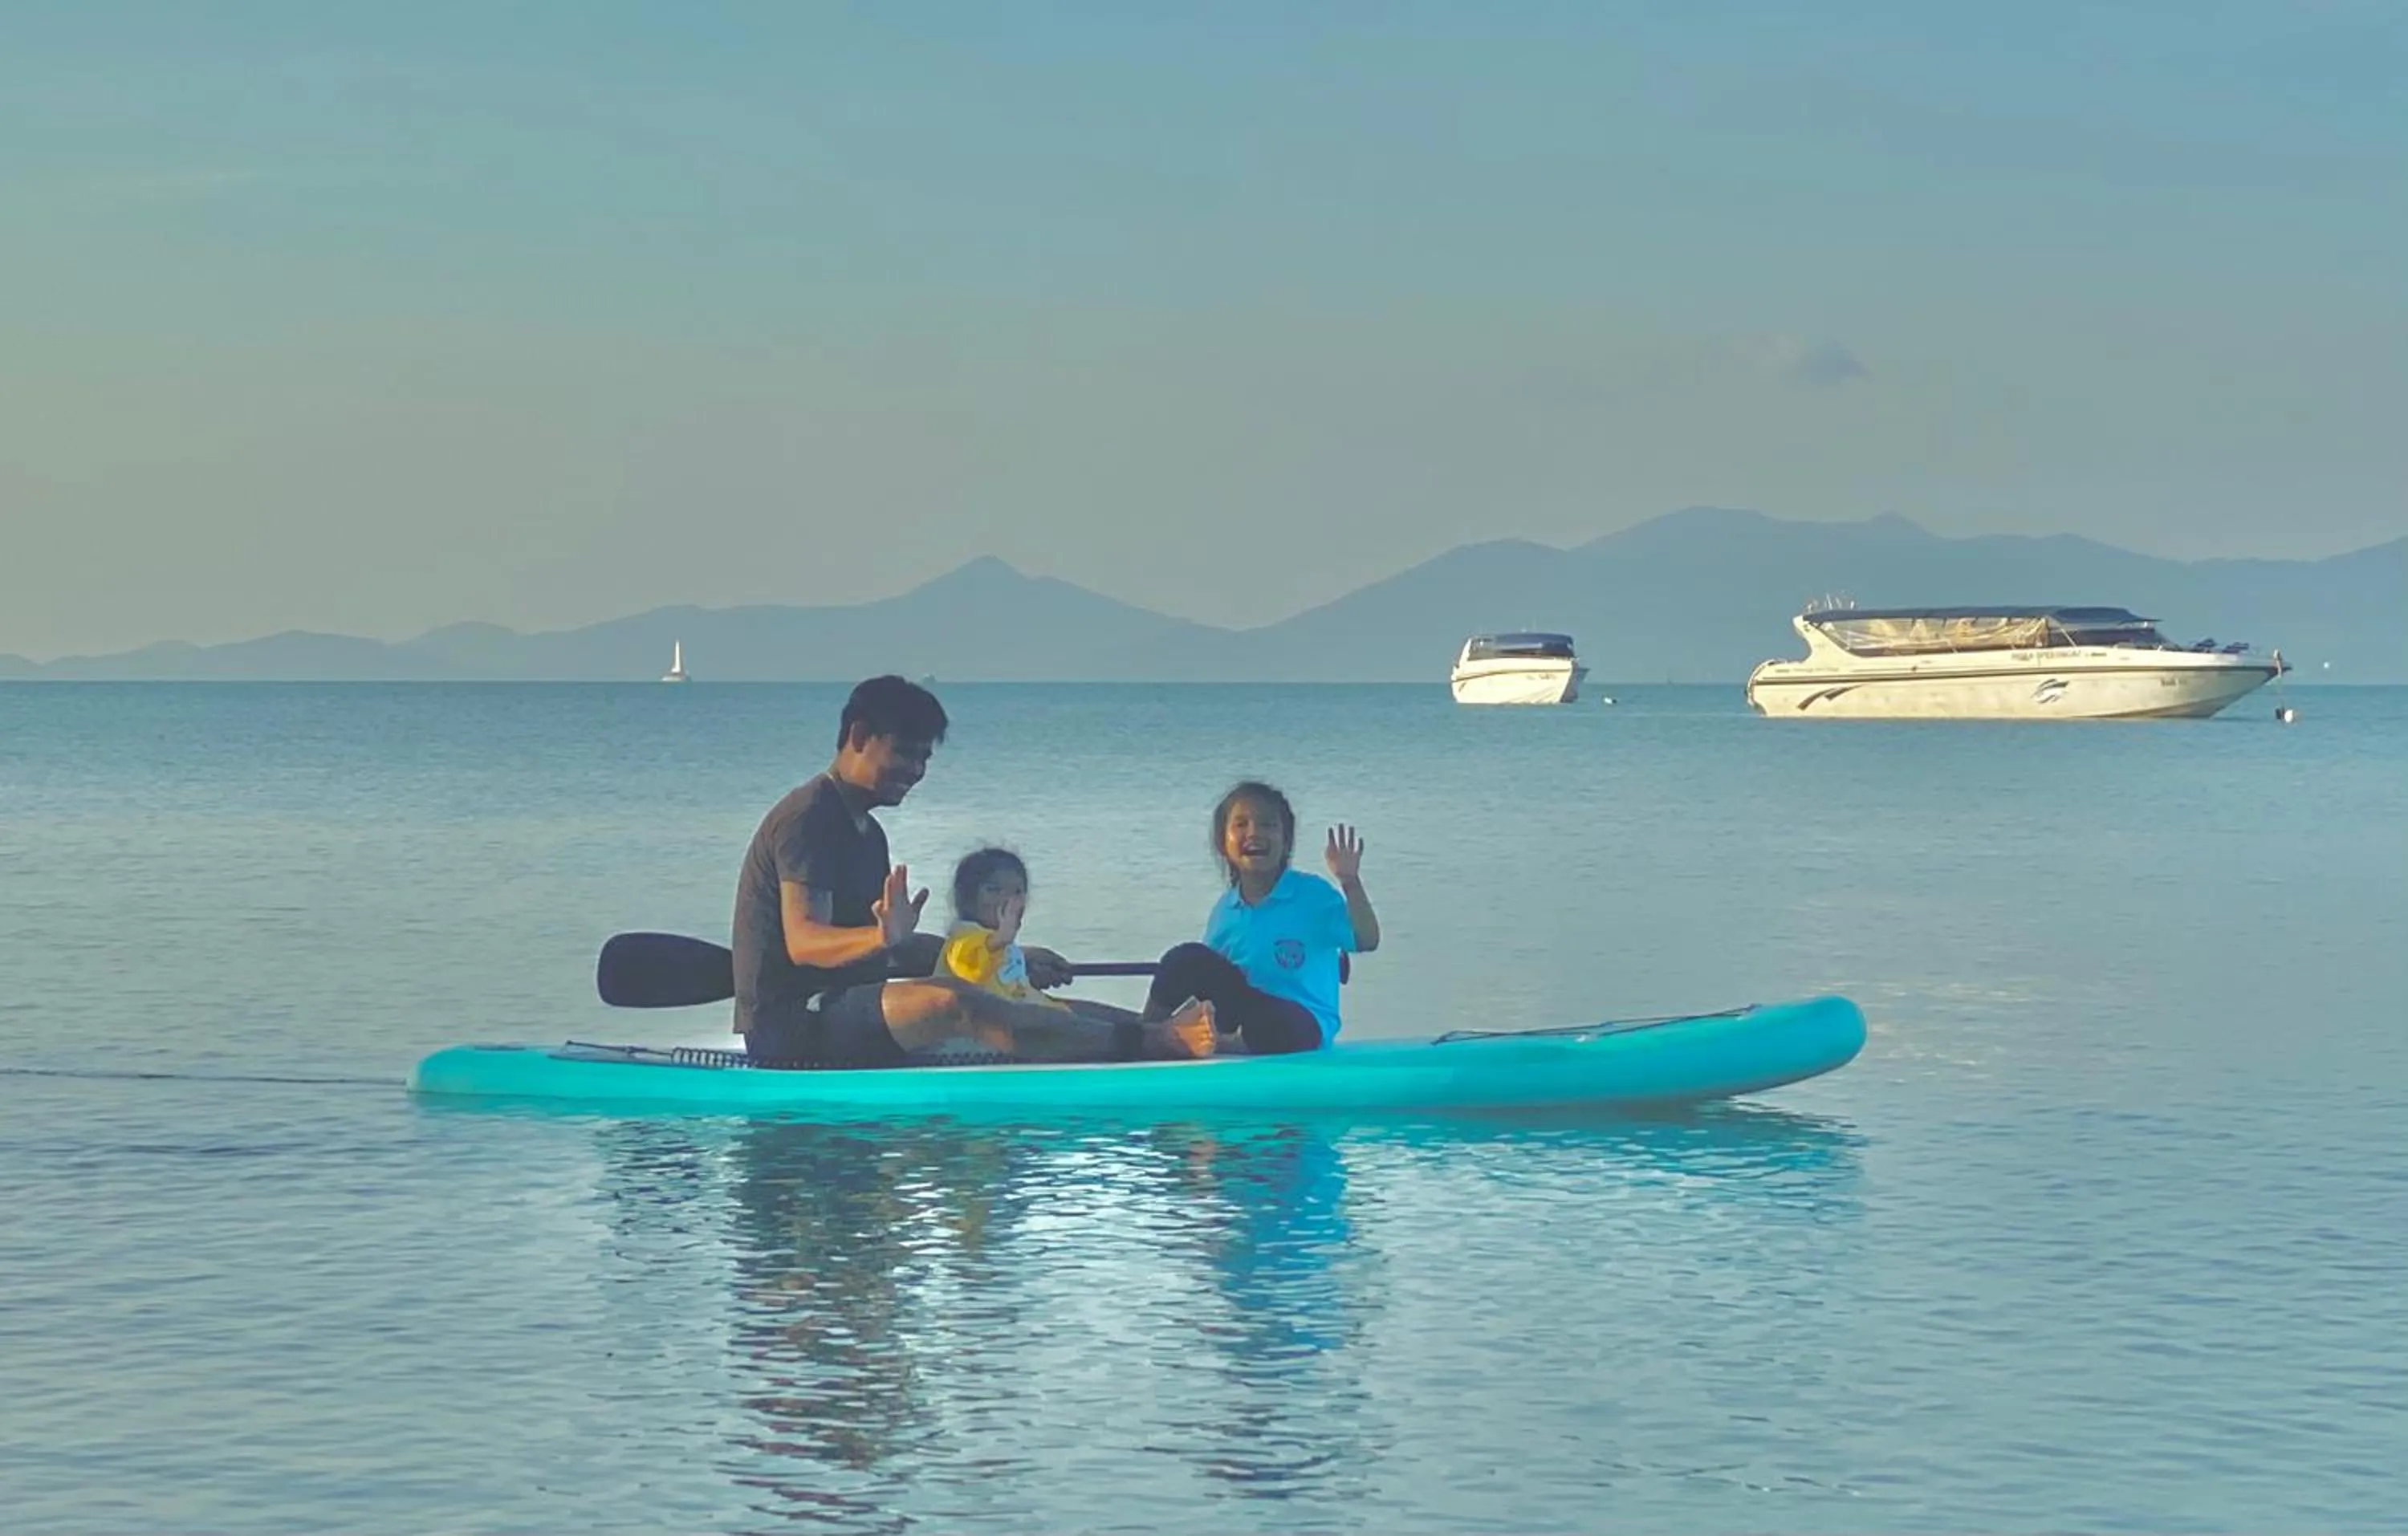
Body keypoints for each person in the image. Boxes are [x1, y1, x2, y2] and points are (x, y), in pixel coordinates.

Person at [730, 677, 1217, 1067]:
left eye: (924, 757)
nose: (916, 770)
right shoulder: (808, 817)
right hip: (794, 1028)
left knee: (1017, 994)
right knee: (958, 1002)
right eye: (905, 752)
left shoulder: (866, 831)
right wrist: (881, 939)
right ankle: (1152, 1045)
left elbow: (889, 949)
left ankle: (1160, 1035)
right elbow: (806, 942)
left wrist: (1001, 953)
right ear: (858, 736)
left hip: (848, 1005)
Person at [1143, 780, 1380, 1054]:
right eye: (1241, 825)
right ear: (1223, 843)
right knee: (1184, 959)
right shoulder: (1225, 910)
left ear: (1286, 841)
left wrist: (1350, 882)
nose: (1254, 833)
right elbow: (1209, 979)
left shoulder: (1313, 896)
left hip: (1300, 1024)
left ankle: (1220, 1043)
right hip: (1245, 1014)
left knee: (1276, 1023)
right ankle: (1147, 1032)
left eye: (1268, 825)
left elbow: (1367, 940)